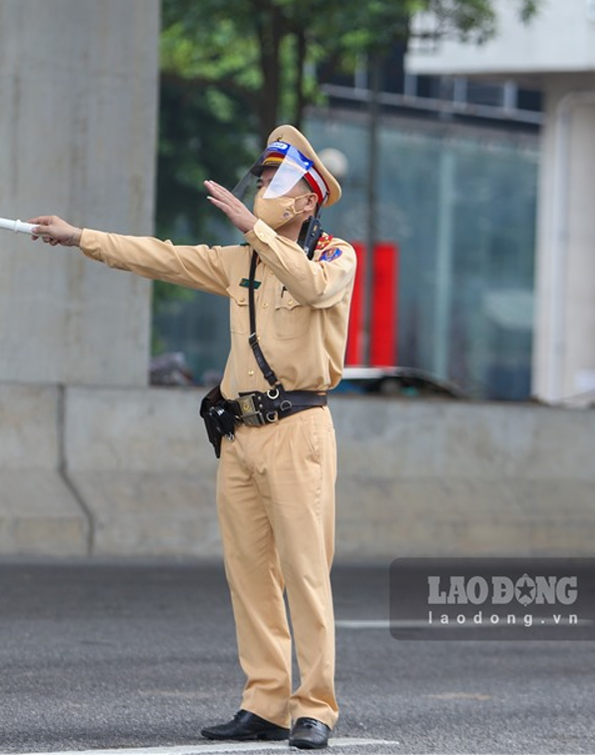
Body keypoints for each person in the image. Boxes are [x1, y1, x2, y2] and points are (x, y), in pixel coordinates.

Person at [29, 125, 356, 750]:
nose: (261, 190)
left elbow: (314, 290)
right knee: (250, 574)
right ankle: (266, 703)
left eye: (273, 182)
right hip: (241, 433)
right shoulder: (241, 264)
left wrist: (252, 228)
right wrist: (80, 238)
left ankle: (315, 705)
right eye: (260, 181)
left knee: (305, 574)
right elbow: (162, 256)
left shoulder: (335, 256)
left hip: (299, 430)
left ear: (308, 199)